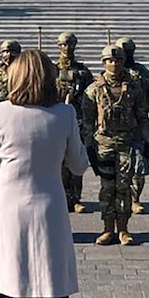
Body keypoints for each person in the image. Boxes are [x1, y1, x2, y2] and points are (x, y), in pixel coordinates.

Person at [0, 49, 88, 298]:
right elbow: (79, 165)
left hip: (9, 212)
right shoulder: (65, 113)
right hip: (49, 212)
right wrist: (74, 127)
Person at [81, 45, 149, 246]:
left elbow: (142, 116)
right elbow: (87, 120)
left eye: (118, 60)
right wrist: (88, 145)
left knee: (124, 187)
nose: (114, 64)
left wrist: (147, 141)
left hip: (126, 144)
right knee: (106, 188)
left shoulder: (134, 87)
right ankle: (107, 228)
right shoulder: (94, 89)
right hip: (103, 145)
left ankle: (123, 229)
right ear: (104, 63)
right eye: (110, 61)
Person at [115, 37, 149, 214]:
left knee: (139, 167)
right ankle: (121, 198)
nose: (125, 55)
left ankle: (135, 199)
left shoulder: (144, 74)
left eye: (128, 52)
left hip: (139, 128)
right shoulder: (111, 74)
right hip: (116, 128)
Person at [54, 32, 93, 213]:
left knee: (75, 159)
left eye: (70, 44)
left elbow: (92, 96)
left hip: (78, 121)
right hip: (56, 120)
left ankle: (76, 198)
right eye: (63, 44)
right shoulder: (52, 70)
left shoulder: (82, 71)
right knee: (58, 162)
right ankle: (62, 197)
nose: (66, 48)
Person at [0, 40, 21, 107]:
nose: (9, 55)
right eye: (6, 52)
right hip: (0, 108)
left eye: (13, 52)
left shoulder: (23, 73)